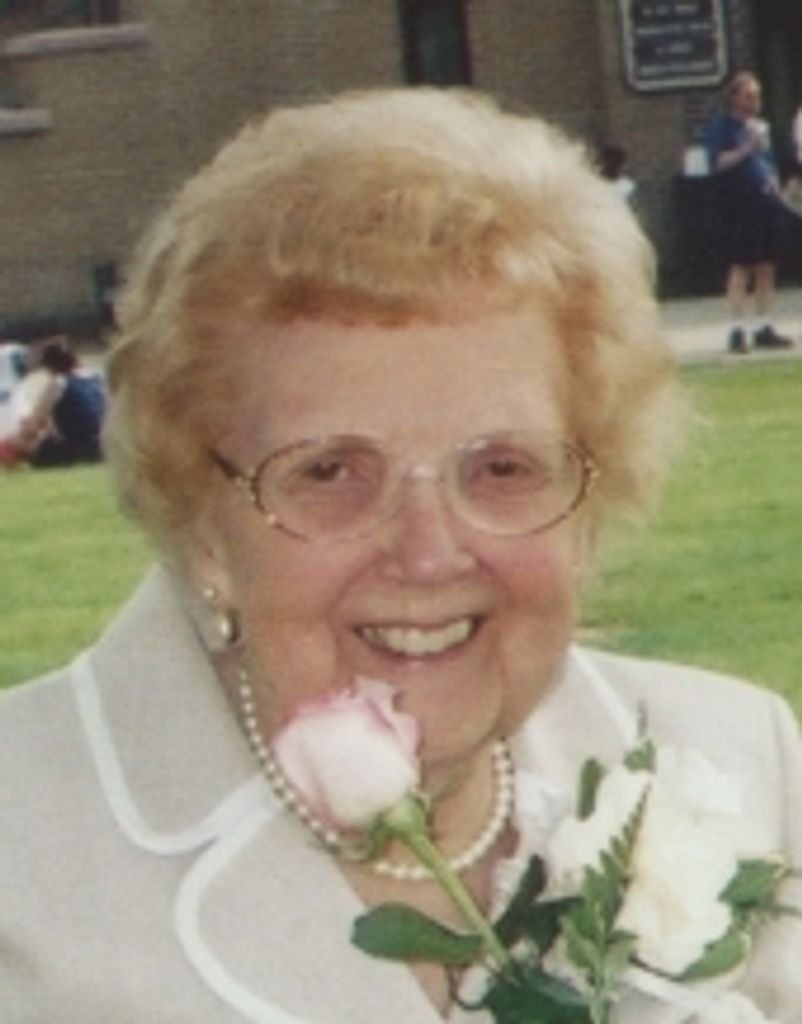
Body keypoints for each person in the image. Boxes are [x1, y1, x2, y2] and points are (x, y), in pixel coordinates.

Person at [1, 88, 800, 1023]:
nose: (428, 553)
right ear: (204, 524)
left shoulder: (739, 765)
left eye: (502, 468)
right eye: (329, 471)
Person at [706, 71, 794, 354]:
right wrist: (747, 147)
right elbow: (718, 162)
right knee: (741, 266)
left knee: (767, 266)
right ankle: (737, 329)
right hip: (738, 205)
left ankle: (764, 325)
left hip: (765, 203)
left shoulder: (760, 127)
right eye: (748, 96)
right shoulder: (723, 127)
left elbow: (768, 163)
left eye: (757, 97)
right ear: (734, 98)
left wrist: (777, 185)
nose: (754, 102)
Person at [0, 338, 105, 468]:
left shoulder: (58, 384)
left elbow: (33, 426)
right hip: (104, 443)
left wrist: (21, 429)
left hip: (81, 447)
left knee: (23, 443)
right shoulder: (94, 378)